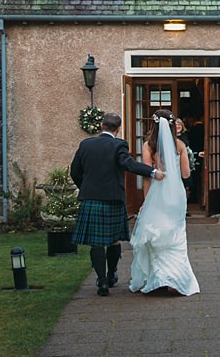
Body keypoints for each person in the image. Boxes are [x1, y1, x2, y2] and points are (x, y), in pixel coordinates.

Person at [70, 112, 163, 296]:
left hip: (91, 199)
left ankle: (102, 282)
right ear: (118, 128)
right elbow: (129, 165)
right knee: (113, 241)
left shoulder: (85, 144)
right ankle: (111, 275)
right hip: (112, 199)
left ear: (101, 126)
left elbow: (75, 171)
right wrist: (152, 172)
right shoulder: (118, 145)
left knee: (96, 244)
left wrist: (86, 188)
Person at [128, 110, 201, 295]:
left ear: (153, 125)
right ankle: (175, 278)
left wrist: (146, 200)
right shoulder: (180, 145)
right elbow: (186, 174)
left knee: (156, 233)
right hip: (176, 193)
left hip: (157, 193)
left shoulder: (148, 146)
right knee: (176, 233)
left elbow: (147, 175)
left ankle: (159, 277)